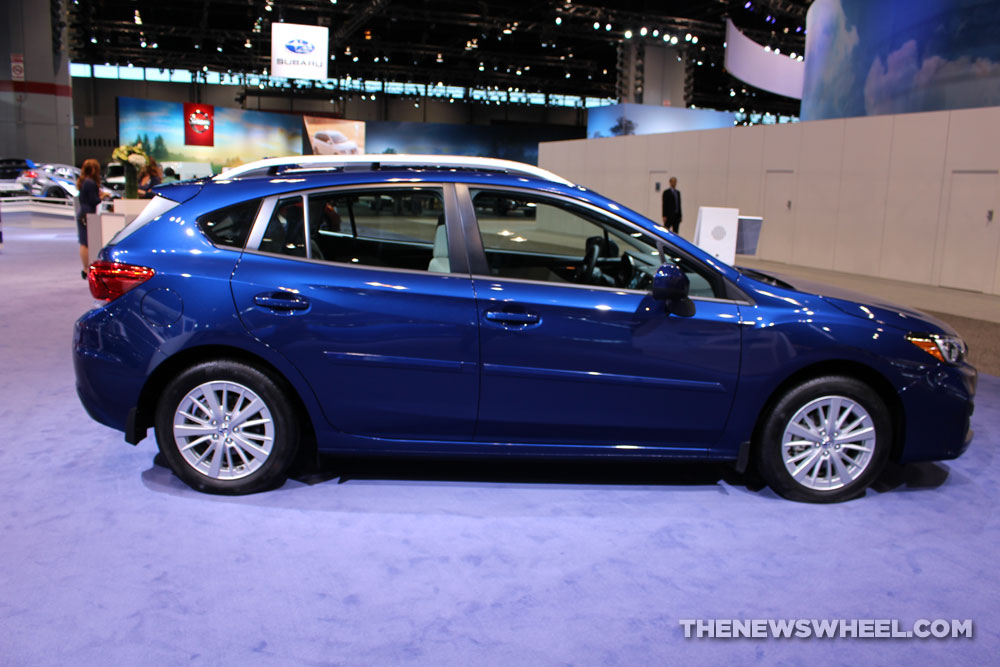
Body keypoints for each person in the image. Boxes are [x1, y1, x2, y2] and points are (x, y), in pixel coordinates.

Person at [76, 159, 102, 278]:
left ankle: (85, 268)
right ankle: (86, 269)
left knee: (83, 242)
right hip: (87, 215)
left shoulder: (83, 182)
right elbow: (94, 200)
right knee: (86, 243)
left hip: (83, 213)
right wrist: (102, 196)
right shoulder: (90, 183)